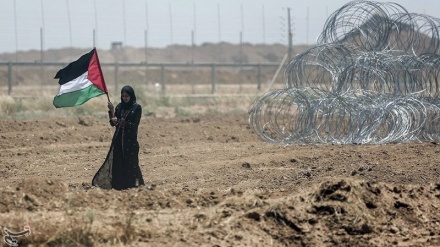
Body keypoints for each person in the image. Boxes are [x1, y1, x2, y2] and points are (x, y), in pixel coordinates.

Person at [92, 85, 145, 190]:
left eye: (127, 96)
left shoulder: (136, 108)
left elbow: (134, 125)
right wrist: (111, 111)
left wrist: (121, 121)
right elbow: (113, 123)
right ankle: (119, 186)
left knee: (131, 163)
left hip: (130, 142)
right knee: (118, 163)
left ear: (131, 96)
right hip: (118, 141)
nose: (125, 98)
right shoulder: (119, 107)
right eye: (123, 96)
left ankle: (134, 186)